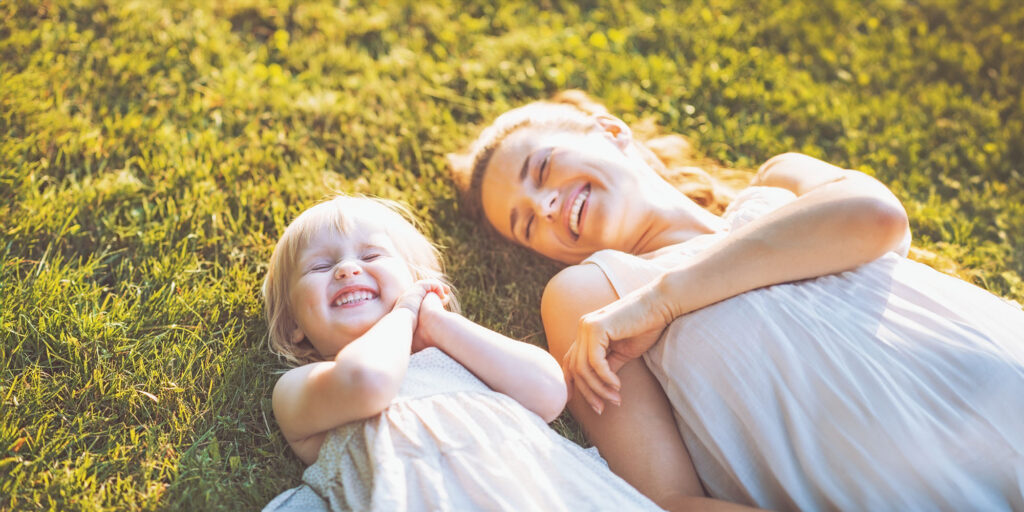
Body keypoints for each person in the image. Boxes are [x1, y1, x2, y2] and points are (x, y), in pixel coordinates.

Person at [449, 90, 1024, 511]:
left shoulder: (781, 184)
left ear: (609, 130)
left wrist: (666, 302)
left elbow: (875, 218)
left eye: (543, 169)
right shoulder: (594, 295)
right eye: (527, 223)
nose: (546, 205)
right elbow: (667, 498)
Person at [259, 195, 666, 511]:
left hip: (544, 492)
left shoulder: (460, 354)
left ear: (418, 284)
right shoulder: (304, 386)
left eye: (370, 256)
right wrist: (403, 314)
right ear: (295, 326)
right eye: (319, 267)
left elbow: (549, 392)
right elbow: (369, 382)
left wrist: (437, 324)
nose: (347, 270)